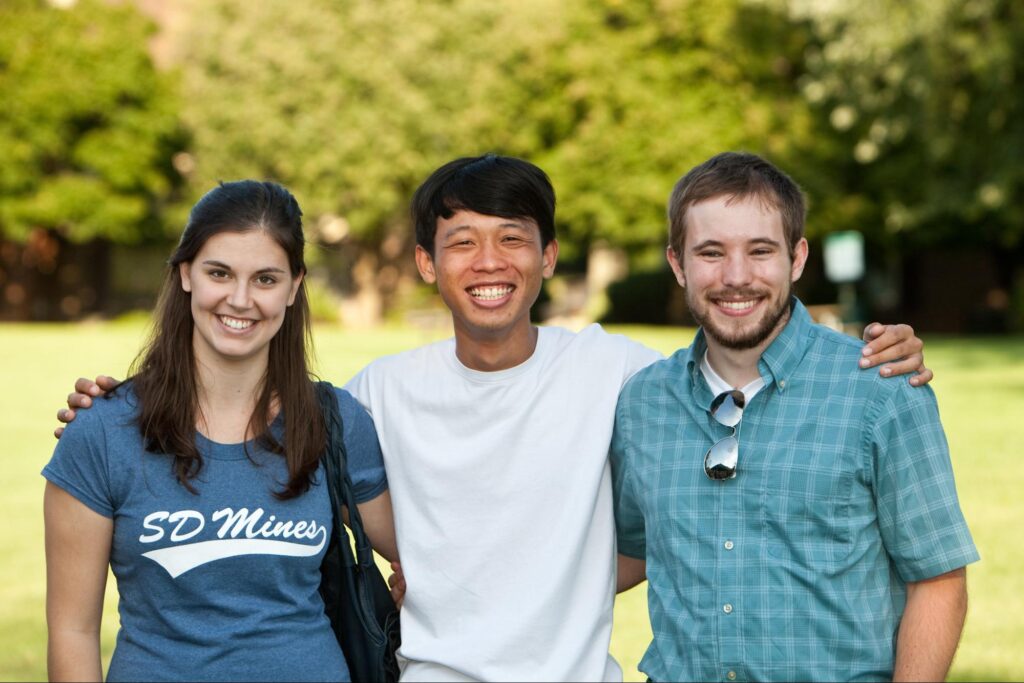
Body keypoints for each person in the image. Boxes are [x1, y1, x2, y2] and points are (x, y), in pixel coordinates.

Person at [56, 155, 931, 682]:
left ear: (548, 256)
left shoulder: (622, 374)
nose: (489, 260)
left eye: (513, 236)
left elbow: (747, 361)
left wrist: (878, 347)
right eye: (462, 239)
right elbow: (386, 533)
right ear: (428, 265)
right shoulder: (374, 395)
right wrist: (113, 404)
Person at [610, 152, 979, 682]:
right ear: (677, 263)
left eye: (760, 251)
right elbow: (633, 552)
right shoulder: (642, 402)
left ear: (797, 257)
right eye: (710, 253)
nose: (736, 277)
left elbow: (938, 579)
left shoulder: (882, 390)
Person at [43, 180, 398, 682]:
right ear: (185, 272)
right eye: (219, 273)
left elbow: (423, 559)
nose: (239, 299)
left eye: (266, 279)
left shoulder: (335, 422)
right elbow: (72, 632)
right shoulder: (102, 431)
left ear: (295, 286)